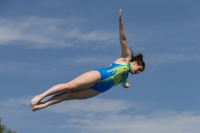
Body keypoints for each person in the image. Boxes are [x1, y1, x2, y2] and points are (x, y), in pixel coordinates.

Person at [30, 9, 145, 112]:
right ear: (135, 62)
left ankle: (43, 105)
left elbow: (123, 84)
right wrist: (120, 22)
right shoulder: (126, 58)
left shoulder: (126, 77)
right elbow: (123, 40)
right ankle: (40, 96)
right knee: (70, 86)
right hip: (100, 76)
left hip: (98, 90)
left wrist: (126, 85)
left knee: (70, 96)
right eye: (139, 69)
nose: (138, 72)